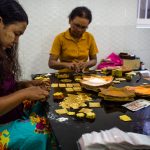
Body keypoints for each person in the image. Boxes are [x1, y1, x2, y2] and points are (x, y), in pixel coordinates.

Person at [0, 0, 52, 149]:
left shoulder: (2, 51)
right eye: (16, 34)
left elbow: (4, 86)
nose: (16, 41)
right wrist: (24, 93)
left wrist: (23, 85)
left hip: (9, 114)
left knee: (43, 105)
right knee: (43, 130)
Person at [48, 6, 98, 73]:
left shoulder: (90, 37)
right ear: (70, 21)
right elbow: (51, 63)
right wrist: (66, 65)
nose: (79, 30)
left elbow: (94, 60)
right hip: (65, 76)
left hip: (84, 76)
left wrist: (86, 64)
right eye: (77, 25)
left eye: (83, 27)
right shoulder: (60, 38)